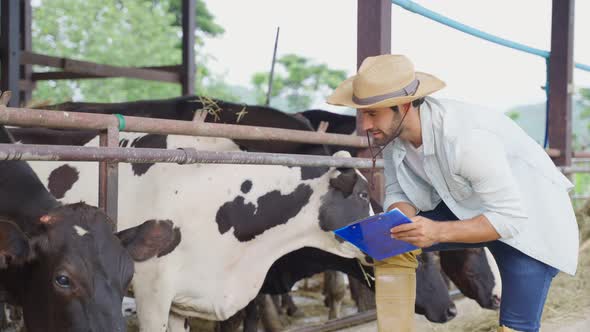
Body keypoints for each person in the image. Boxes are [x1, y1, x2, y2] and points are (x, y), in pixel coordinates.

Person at [327, 54, 579, 332]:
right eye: (362, 113)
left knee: (516, 328)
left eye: (373, 113)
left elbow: (509, 219)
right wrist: (396, 223)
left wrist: (436, 232)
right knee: (389, 244)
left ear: (403, 106)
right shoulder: (393, 136)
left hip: (530, 225)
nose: (364, 125)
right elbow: (399, 189)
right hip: (468, 206)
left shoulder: (466, 140)